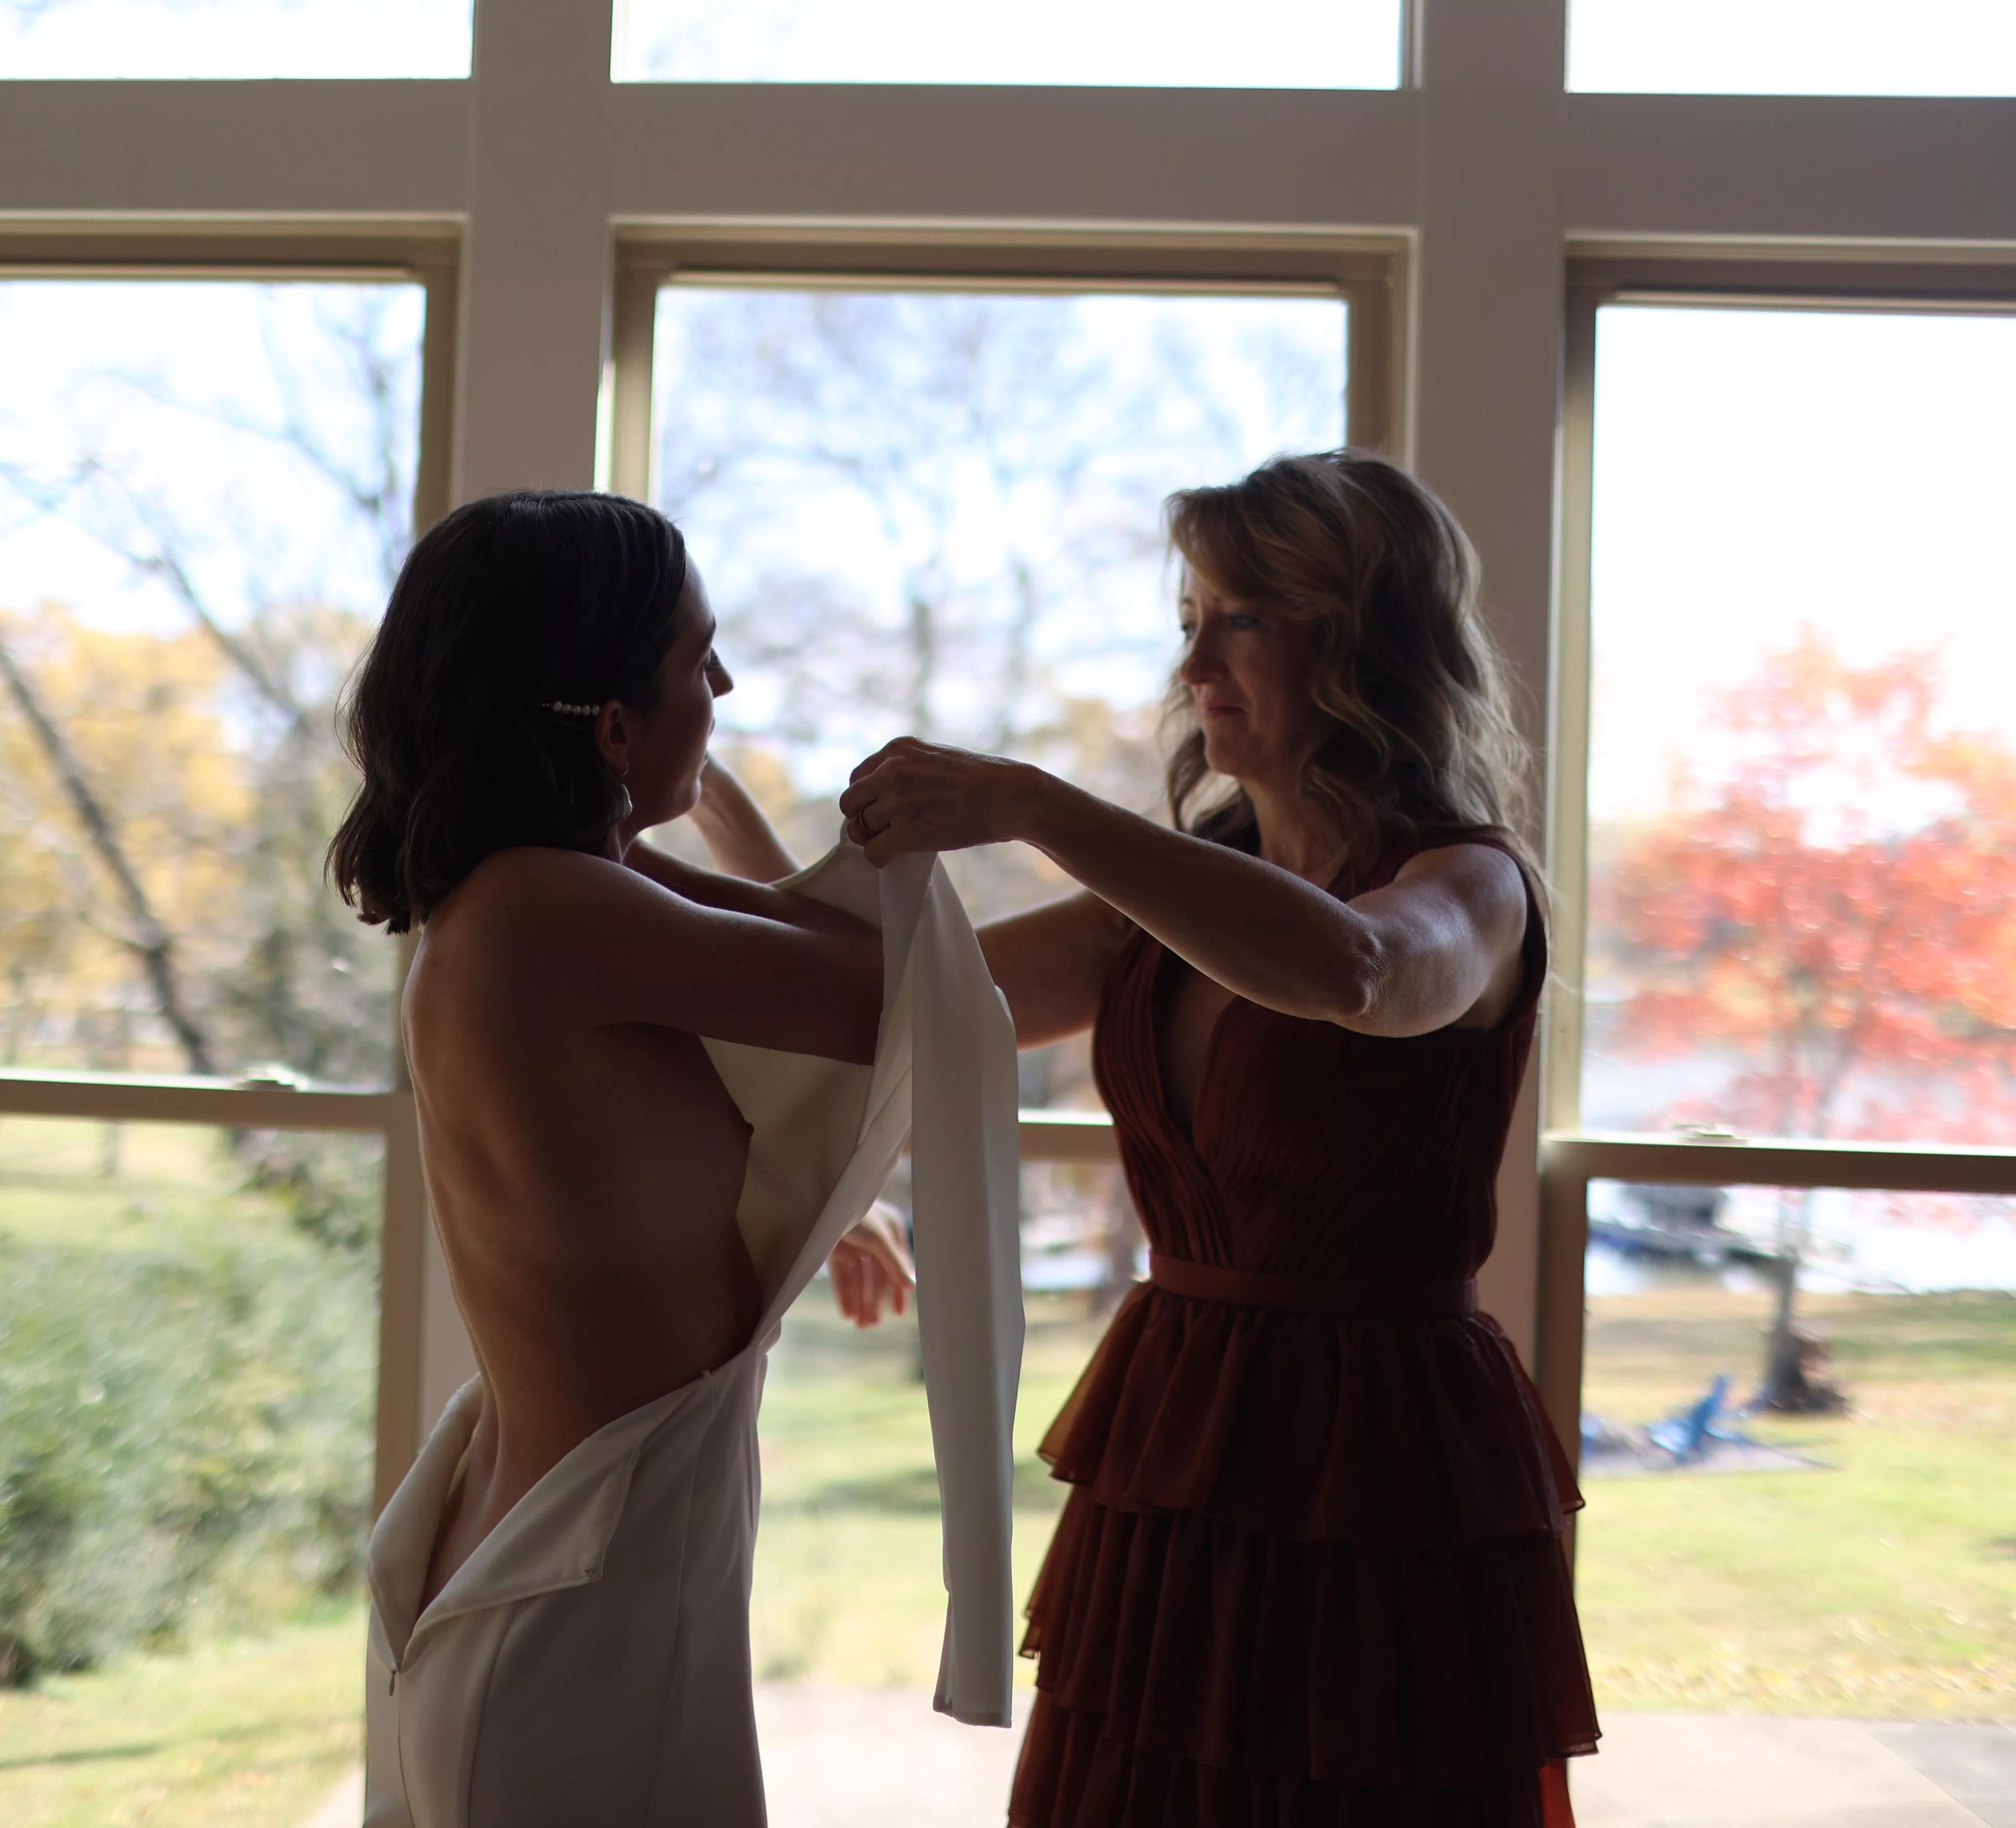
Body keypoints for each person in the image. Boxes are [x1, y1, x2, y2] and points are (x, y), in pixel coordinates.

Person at [839, 450, 1598, 1827]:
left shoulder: (1469, 884)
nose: (1196, 660)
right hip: (1180, 1422)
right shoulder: (1176, 896)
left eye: (1238, 615)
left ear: (1362, 633)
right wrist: (643, 846)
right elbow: (883, 1006)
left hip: (1375, 1453)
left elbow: (1359, 973)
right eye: (1187, 619)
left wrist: (1034, 805)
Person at [333, 488, 972, 1828]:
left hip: (564, 1593)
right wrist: (1054, 822)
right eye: (698, 659)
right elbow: (912, 1002)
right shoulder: (554, 907)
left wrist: (654, 769)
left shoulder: (532, 890)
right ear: (611, 723)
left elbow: (849, 973)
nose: (726, 684)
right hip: (579, 1625)